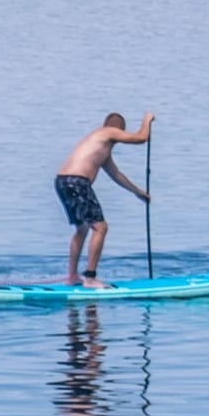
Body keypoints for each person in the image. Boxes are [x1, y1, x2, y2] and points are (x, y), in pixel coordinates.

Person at [55, 112, 153, 288]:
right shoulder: (108, 131)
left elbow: (116, 175)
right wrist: (147, 120)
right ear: (119, 129)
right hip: (77, 182)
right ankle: (90, 278)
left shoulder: (102, 148)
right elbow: (141, 138)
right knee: (100, 227)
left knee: (82, 229)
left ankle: (72, 277)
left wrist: (137, 192)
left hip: (63, 181)